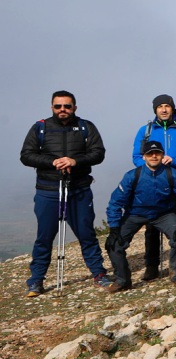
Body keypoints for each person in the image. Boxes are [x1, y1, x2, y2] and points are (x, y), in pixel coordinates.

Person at [20, 91, 111, 295]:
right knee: (44, 236)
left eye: (67, 106)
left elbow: (98, 153)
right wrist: (53, 163)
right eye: (58, 106)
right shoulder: (40, 128)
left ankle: (99, 274)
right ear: (52, 107)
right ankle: (36, 281)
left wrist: (74, 161)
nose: (63, 110)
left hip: (79, 189)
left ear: (75, 108)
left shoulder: (86, 127)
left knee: (86, 234)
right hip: (48, 190)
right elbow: (26, 156)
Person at [103, 141, 176, 292]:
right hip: (135, 214)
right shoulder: (132, 176)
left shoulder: (172, 174)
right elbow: (115, 203)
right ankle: (122, 280)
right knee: (114, 243)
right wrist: (114, 228)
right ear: (143, 157)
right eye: (149, 154)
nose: (154, 156)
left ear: (162, 155)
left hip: (164, 214)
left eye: (157, 153)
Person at [132, 94, 176, 282]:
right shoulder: (145, 131)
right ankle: (152, 266)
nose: (163, 110)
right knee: (152, 227)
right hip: (153, 186)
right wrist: (154, 164)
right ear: (154, 109)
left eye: (167, 106)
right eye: (160, 106)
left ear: (172, 108)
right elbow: (136, 158)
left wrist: (175, 160)